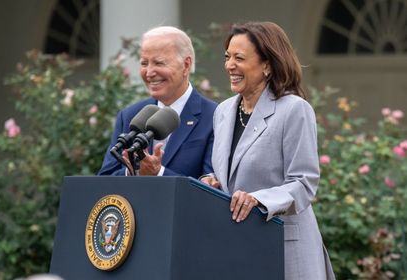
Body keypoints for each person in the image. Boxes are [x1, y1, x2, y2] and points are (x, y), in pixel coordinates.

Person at [200, 21, 335, 279]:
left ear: (267, 65)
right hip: (238, 248)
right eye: (227, 57)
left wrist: (259, 199)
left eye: (239, 58)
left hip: (284, 249)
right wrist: (214, 183)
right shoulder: (223, 112)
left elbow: (304, 183)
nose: (229, 65)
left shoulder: (294, 110)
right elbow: (234, 177)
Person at [98, 26, 217, 178]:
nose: (149, 73)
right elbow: (105, 179)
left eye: (159, 63)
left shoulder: (214, 117)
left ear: (186, 65)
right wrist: (132, 170)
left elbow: (212, 190)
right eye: (144, 63)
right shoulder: (129, 116)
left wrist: (158, 173)